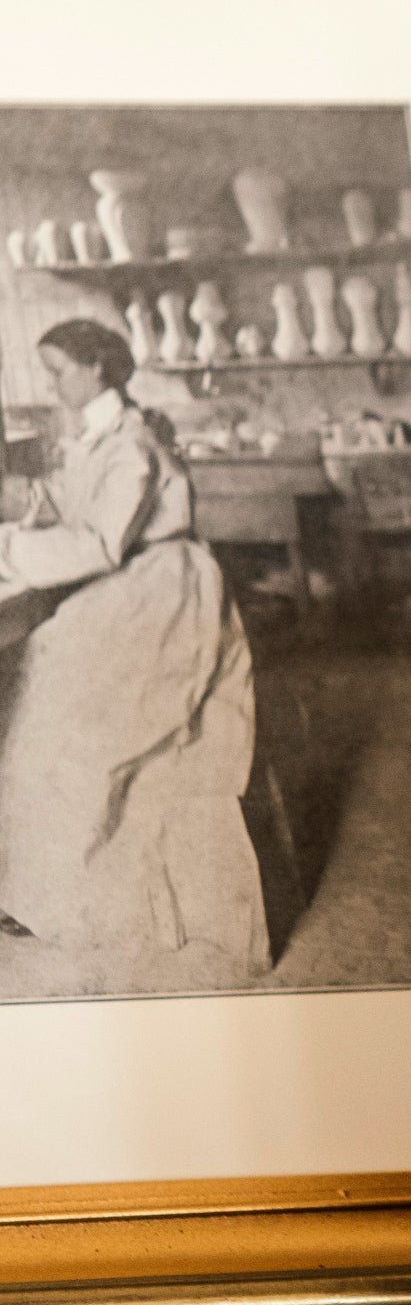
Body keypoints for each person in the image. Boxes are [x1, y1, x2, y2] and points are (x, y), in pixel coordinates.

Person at [0, 317, 268, 993]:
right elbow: (70, 502)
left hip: (164, 590)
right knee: (32, 680)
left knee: (48, 697)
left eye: (58, 369)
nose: (51, 383)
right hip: (132, 585)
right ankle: (39, 884)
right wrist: (21, 502)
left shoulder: (134, 443)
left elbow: (100, 543)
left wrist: (9, 550)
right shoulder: (102, 435)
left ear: (96, 368)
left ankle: (57, 893)